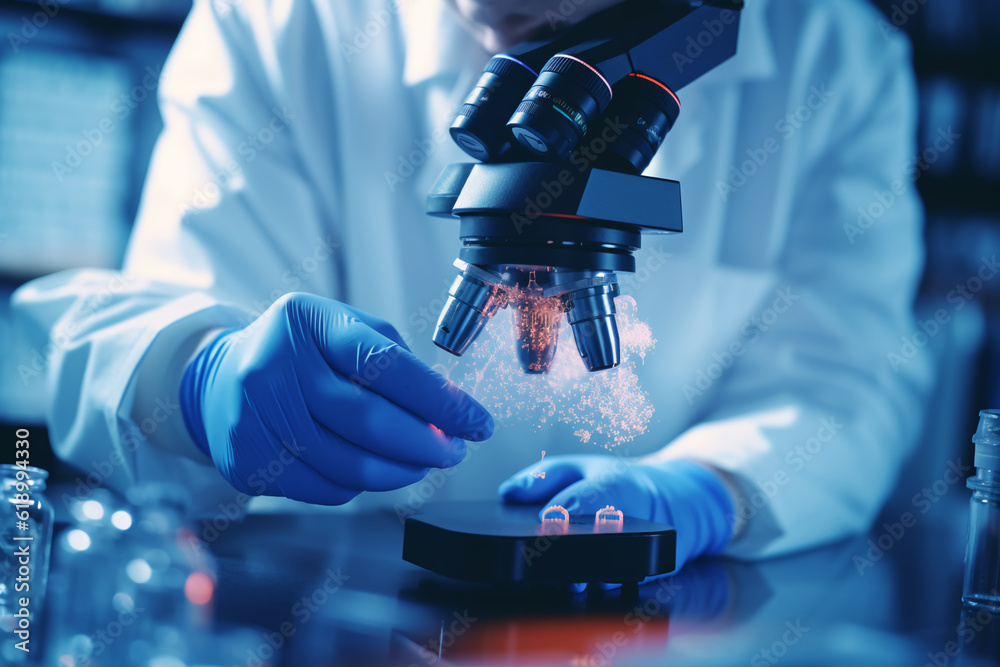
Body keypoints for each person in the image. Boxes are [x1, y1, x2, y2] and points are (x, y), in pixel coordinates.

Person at [12, 0, 931, 570]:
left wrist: (714, 487)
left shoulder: (834, 64)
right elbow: (135, 329)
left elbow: (846, 376)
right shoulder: (280, 21)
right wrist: (197, 373)